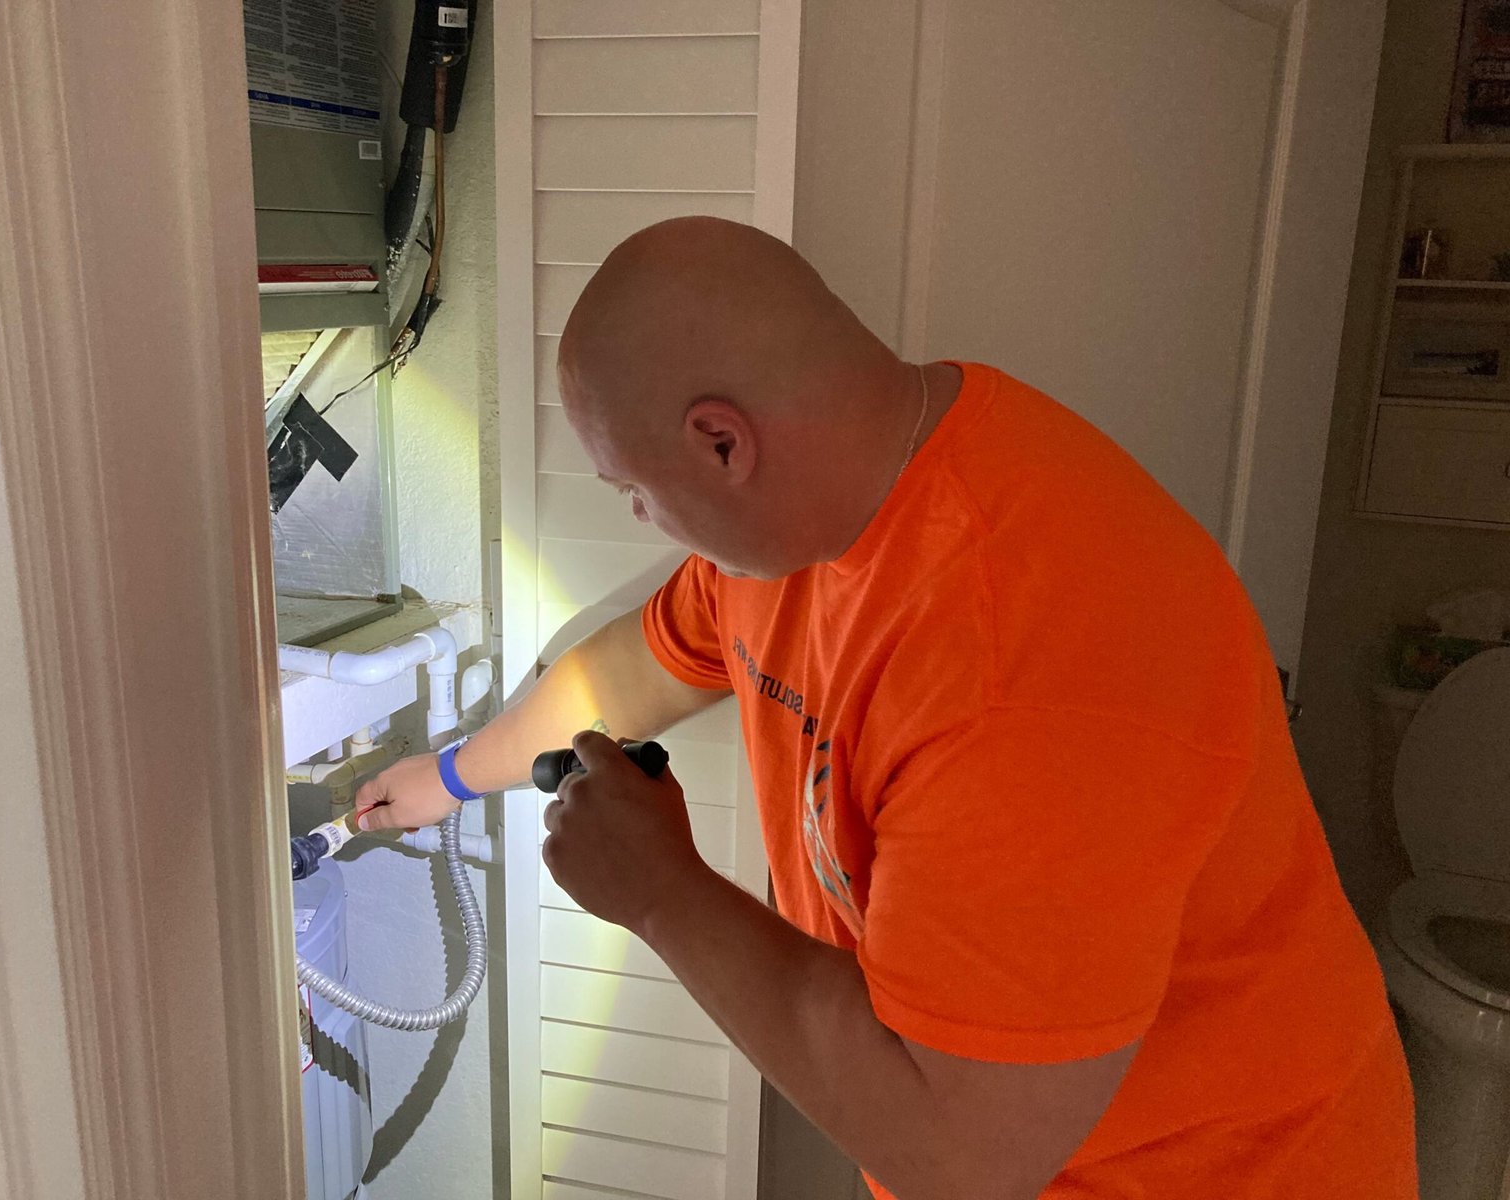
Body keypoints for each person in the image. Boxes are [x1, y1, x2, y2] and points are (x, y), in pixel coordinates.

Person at [356, 217, 1417, 1198]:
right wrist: (446, 778)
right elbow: (634, 672)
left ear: (721, 442)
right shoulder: (799, 527)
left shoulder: (1024, 656)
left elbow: (960, 1157)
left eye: (631, 488)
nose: (641, 518)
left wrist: (663, 894)